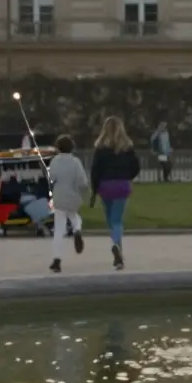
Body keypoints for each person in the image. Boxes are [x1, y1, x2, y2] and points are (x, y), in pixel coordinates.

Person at [89, 116, 141, 270]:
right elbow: (136, 166)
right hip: (121, 185)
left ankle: (117, 248)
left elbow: (95, 171)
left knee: (111, 220)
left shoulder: (100, 149)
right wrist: (127, 176)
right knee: (117, 220)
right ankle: (117, 248)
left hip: (105, 185)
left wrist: (94, 189)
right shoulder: (127, 148)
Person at [47, 134, 89, 273]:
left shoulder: (55, 161)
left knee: (59, 229)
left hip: (59, 197)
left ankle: (57, 259)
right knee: (75, 216)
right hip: (73, 196)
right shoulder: (76, 162)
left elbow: (52, 178)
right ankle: (77, 229)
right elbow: (82, 181)